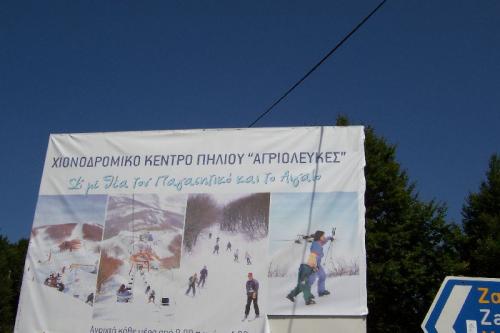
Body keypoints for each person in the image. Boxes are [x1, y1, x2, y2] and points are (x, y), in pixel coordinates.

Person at [308, 230, 334, 297]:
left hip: (317, 264)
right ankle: (307, 293)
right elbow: (313, 256)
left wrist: (329, 238)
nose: (324, 237)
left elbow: (324, 241)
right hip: (313, 264)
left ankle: (321, 291)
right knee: (311, 280)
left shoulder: (318, 242)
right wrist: (314, 266)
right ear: (319, 237)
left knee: (322, 276)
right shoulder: (316, 245)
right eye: (323, 236)